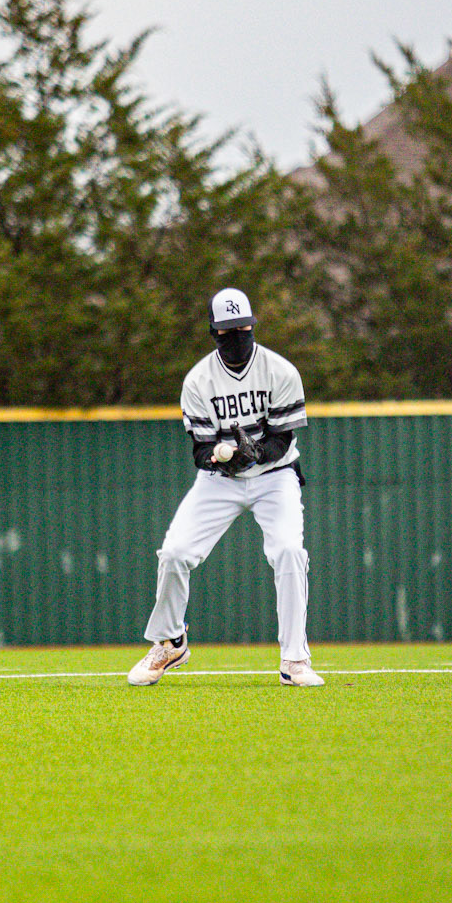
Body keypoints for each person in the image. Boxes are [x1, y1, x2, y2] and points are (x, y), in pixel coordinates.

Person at [127, 287, 324, 687]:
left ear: (253, 326)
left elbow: (283, 439)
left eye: (242, 329)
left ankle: (294, 660)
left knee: (289, 551)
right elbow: (200, 451)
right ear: (213, 332)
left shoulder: (280, 371)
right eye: (227, 330)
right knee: (175, 553)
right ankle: (170, 642)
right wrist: (223, 459)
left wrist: (256, 454)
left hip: (275, 476)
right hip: (219, 481)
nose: (236, 337)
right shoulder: (198, 380)